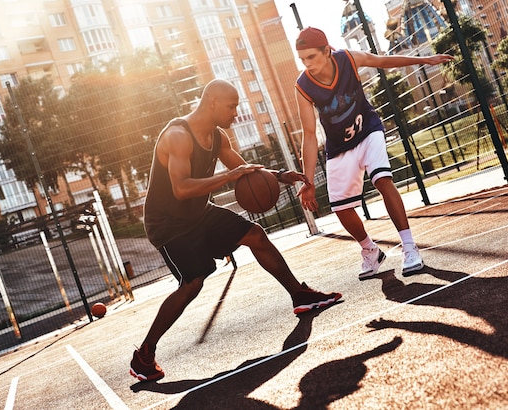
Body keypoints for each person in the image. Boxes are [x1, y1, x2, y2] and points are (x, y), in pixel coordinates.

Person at [129, 79, 342, 382]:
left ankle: (299, 295)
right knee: (193, 283)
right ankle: (144, 355)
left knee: (254, 234)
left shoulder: (218, 137)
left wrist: (279, 176)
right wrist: (230, 175)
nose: (236, 113)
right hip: (168, 224)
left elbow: (244, 170)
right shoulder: (178, 136)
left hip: (198, 213)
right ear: (212, 102)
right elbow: (181, 187)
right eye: (232, 107)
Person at [294, 27, 454, 280]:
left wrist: (424, 59)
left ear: (326, 51)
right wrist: (308, 181)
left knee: (382, 179)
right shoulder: (303, 85)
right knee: (341, 208)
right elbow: (310, 135)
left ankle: (410, 247)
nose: (307, 64)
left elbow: (382, 61)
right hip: (338, 147)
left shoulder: (348, 59)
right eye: (302, 59)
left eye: (311, 57)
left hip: (368, 130)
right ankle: (370, 250)